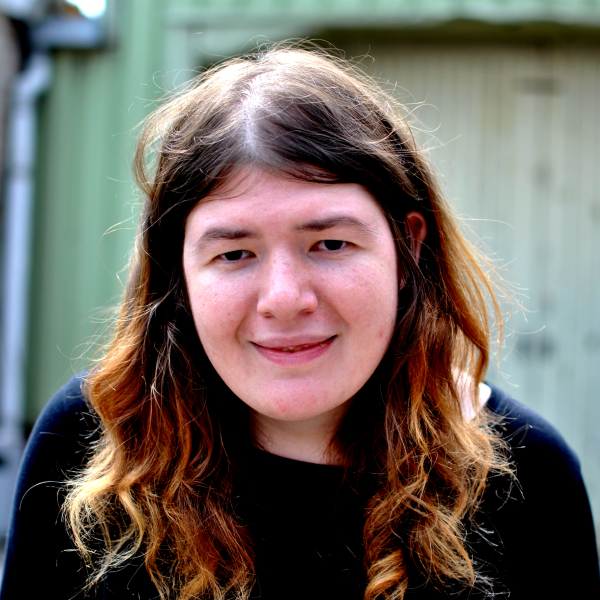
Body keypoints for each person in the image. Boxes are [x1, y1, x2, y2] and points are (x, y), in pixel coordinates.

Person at [1, 44, 599, 600]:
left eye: (331, 243)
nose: (285, 300)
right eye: (234, 254)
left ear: (408, 249)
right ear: (177, 272)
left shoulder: (529, 476)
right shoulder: (88, 445)